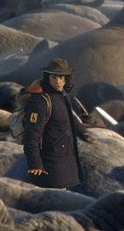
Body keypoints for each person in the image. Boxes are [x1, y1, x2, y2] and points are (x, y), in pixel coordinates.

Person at [22, 58, 88, 189]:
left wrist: (83, 131)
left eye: (61, 77)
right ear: (48, 77)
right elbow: (31, 136)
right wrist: (35, 164)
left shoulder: (62, 96)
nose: (58, 81)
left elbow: (69, 118)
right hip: (49, 165)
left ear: (66, 79)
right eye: (54, 77)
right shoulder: (40, 102)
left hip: (65, 162)